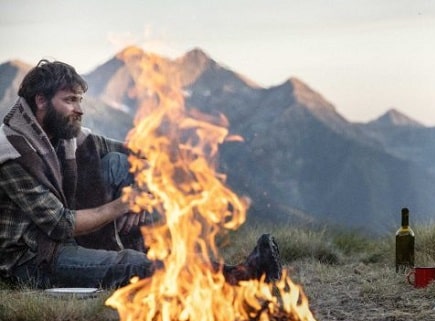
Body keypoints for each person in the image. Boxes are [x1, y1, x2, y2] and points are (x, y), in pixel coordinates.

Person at [0, 59, 281, 289]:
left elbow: (135, 154)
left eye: (80, 100)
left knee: (118, 163)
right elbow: (59, 224)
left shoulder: (62, 136)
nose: (80, 109)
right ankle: (237, 276)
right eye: (70, 100)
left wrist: (138, 190)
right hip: (31, 259)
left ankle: (157, 254)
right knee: (130, 265)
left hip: (59, 240)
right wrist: (122, 204)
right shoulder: (12, 151)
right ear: (41, 101)